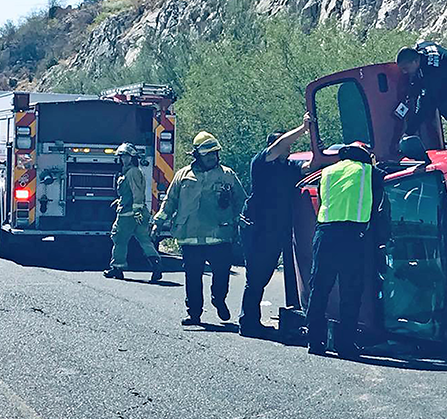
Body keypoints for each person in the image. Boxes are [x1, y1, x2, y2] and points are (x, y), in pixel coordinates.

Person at [152, 131, 246, 325]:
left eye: (214, 153)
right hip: (190, 237)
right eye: (207, 154)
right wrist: (158, 222)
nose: (212, 157)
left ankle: (218, 299)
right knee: (193, 278)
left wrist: (239, 224)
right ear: (197, 155)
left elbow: (241, 202)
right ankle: (194, 314)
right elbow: (170, 201)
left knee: (221, 275)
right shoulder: (182, 175)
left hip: (219, 236)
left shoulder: (227, 175)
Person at [238, 113, 317, 338]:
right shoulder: (262, 162)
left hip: (277, 228)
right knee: (256, 275)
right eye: (284, 144)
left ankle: (263, 320)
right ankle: (248, 323)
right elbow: (281, 144)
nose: (288, 148)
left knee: (269, 274)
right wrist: (302, 128)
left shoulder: (288, 166)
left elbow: (311, 166)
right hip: (257, 227)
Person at [305, 143, 386, 358]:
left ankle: (315, 341)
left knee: (319, 289)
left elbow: (323, 200)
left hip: (325, 233)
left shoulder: (328, 172)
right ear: (365, 157)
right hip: (353, 236)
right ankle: (345, 345)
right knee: (350, 291)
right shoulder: (369, 172)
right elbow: (380, 199)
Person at [103, 143, 163, 282]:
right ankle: (156, 266)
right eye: (122, 156)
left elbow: (137, 192)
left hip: (129, 215)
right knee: (144, 239)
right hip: (136, 212)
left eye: (126, 156)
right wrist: (120, 201)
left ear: (132, 157)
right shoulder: (131, 171)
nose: (123, 159)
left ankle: (117, 268)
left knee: (119, 239)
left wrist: (135, 211)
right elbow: (130, 193)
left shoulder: (132, 172)